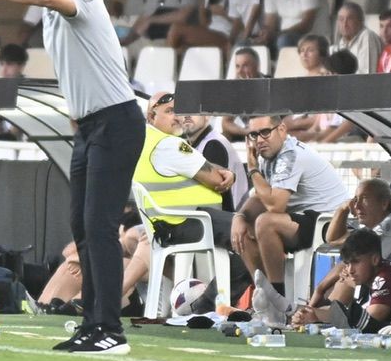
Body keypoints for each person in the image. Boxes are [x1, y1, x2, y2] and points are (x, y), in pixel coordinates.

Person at [0, 0, 144, 355]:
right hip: (90, 128)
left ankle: (111, 330)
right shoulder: (49, 12)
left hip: (117, 123)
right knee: (83, 229)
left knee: (100, 228)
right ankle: (92, 324)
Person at [230, 114, 348, 325]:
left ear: (282, 130)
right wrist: (239, 217)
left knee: (266, 222)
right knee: (244, 229)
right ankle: (265, 297)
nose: (259, 140)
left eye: (265, 132)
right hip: (303, 217)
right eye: (253, 135)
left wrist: (252, 168)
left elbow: (275, 205)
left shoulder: (290, 154)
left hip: (329, 221)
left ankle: (277, 301)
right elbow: (260, 196)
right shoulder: (269, 156)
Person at [132, 92, 238, 303]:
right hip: (190, 222)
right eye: (169, 111)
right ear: (151, 117)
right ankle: (208, 303)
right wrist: (227, 174)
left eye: (178, 111)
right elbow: (217, 179)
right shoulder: (169, 145)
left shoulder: (145, 141)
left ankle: (207, 302)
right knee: (251, 235)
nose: (177, 117)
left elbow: (200, 166)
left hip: (167, 225)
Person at [290, 228, 391, 330]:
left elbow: (367, 323)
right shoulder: (366, 276)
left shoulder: (386, 277)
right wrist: (311, 314)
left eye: (356, 262)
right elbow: (340, 314)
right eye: (348, 263)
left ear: (375, 259)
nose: (350, 270)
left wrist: (319, 319)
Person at [324, 178, 391, 270]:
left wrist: (320, 288)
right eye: (356, 199)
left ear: (384, 204)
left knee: (349, 276)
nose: (357, 206)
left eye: (364, 199)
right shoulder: (371, 228)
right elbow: (333, 239)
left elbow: (358, 261)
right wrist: (343, 208)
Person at [179, 109, 249, 211]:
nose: (187, 115)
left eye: (194, 110)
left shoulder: (213, 144)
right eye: (183, 110)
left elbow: (215, 190)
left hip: (230, 217)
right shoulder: (196, 142)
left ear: (207, 116)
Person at [330, 2, 382, 74]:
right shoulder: (340, 43)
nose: (344, 24)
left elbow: (366, 75)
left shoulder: (367, 36)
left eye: (350, 19)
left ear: (360, 21)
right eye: (341, 19)